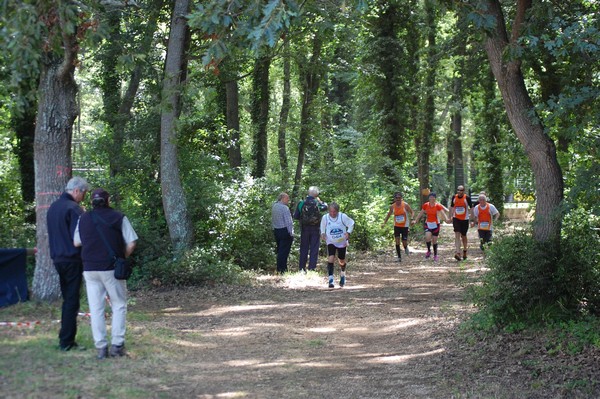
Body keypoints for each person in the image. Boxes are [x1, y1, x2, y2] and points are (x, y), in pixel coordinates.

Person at [74, 189, 138, 359]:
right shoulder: (119, 217)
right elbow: (131, 243)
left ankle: (101, 348)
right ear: (108, 200)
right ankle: (117, 346)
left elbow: (76, 241)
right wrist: (121, 256)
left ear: (92, 202)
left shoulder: (83, 218)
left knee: (96, 309)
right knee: (118, 305)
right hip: (111, 269)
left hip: (89, 269)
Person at [46, 176, 89, 351]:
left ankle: (65, 337)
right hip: (72, 259)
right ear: (77, 191)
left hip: (57, 259)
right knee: (72, 301)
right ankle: (67, 341)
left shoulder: (53, 208)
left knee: (67, 299)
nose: (84, 197)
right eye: (84, 193)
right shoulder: (74, 209)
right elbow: (79, 237)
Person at [320, 202, 355, 288]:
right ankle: (331, 279)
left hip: (341, 241)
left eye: (334, 212)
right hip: (330, 241)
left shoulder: (342, 217)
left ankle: (343, 273)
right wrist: (323, 233)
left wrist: (348, 232)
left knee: (341, 260)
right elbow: (322, 226)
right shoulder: (325, 217)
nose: (332, 213)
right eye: (331, 211)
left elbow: (351, 224)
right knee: (331, 257)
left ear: (337, 211)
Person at [293, 186, 328, 272]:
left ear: (308, 193)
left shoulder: (301, 203)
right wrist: (321, 201)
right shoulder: (317, 203)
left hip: (304, 228)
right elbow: (326, 207)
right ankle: (312, 268)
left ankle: (301, 268)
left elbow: (296, 216)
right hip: (315, 228)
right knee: (314, 248)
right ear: (316, 194)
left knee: (304, 248)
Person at [411, 192, 450, 262]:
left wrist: (447, 219)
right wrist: (415, 220)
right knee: (427, 237)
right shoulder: (426, 205)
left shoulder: (438, 206)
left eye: (433, 197)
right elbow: (421, 213)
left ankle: (435, 255)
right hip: (428, 223)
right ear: (429, 198)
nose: (431, 198)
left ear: (435, 198)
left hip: (436, 224)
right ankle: (428, 250)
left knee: (434, 240)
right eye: (430, 197)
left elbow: (443, 213)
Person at [381, 192, 415, 262]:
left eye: (399, 198)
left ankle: (405, 247)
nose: (398, 199)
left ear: (401, 198)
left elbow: (412, 212)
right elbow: (388, 214)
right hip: (396, 225)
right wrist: (384, 223)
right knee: (397, 241)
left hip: (405, 225)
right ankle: (399, 258)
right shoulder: (392, 206)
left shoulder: (405, 205)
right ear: (394, 199)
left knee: (404, 241)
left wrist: (412, 219)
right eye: (397, 198)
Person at [271, 192, 294, 274]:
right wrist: (291, 233)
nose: (288, 200)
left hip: (276, 230)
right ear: (282, 198)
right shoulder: (284, 208)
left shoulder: (274, 206)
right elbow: (289, 222)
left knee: (280, 250)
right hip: (284, 231)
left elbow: (273, 219)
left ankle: (279, 268)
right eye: (287, 198)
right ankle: (282, 269)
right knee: (284, 251)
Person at [449, 185, 474, 261]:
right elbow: (452, 207)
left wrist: (472, 220)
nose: (459, 191)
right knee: (457, 234)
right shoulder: (454, 197)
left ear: (464, 191)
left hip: (465, 219)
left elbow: (471, 208)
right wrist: (450, 216)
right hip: (456, 218)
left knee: (463, 236)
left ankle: (465, 250)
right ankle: (458, 252)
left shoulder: (467, 198)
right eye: (458, 190)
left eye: (461, 190)